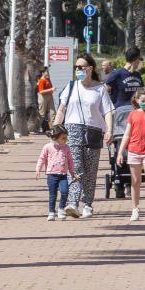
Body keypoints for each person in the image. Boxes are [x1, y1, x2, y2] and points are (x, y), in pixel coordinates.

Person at [54, 53, 114, 219]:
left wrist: (109, 129)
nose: (78, 70)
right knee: (75, 168)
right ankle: (73, 203)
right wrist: (55, 129)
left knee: (90, 169)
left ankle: (87, 203)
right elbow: (61, 109)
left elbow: (108, 111)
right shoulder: (71, 86)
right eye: (76, 67)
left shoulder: (99, 89)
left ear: (90, 68)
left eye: (81, 67)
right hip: (72, 130)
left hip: (93, 130)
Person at [117, 88, 145, 222]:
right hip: (134, 150)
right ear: (137, 100)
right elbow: (127, 134)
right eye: (143, 101)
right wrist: (120, 152)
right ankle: (135, 209)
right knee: (135, 181)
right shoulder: (132, 114)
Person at [35, 124, 77, 221]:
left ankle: (61, 209)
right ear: (56, 138)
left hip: (63, 175)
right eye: (63, 138)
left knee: (64, 191)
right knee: (52, 194)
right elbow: (42, 158)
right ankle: (51, 212)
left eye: (66, 137)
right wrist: (38, 169)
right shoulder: (47, 147)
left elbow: (70, 161)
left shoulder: (66, 148)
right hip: (51, 175)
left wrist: (73, 173)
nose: (65, 140)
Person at [37, 68, 55, 133]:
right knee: (42, 113)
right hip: (43, 97)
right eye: (46, 72)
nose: (48, 73)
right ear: (43, 73)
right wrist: (51, 90)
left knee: (52, 112)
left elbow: (51, 87)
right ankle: (37, 128)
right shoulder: (41, 81)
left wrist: (51, 90)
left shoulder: (48, 79)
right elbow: (41, 91)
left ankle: (53, 128)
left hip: (49, 96)